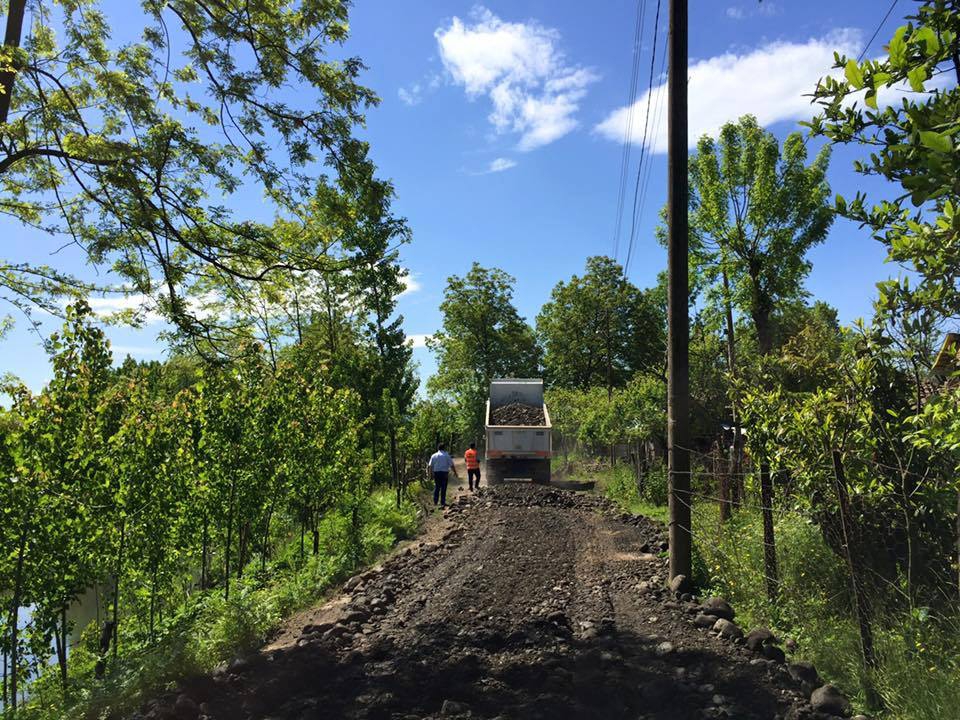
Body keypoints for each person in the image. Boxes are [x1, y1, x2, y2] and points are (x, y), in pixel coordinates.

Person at [428, 443, 457, 508]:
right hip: (444, 473)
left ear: (438, 448)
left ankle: (435, 502)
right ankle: (442, 502)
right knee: (444, 487)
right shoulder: (446, 455)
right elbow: (451, 465)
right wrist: (455, 472)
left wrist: (430, 475)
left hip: (436, 473)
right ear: (444, 448)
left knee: (437, 487)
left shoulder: (434, 455)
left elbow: (430, 466)